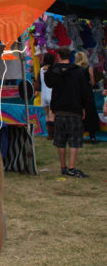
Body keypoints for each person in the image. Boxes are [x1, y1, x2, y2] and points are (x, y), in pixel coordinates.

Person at [44, 47, 90, 178]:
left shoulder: (53, 70)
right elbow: (84, 92)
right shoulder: (78, 72)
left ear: (58, 56)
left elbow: (48, 83)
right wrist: (84, 108)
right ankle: (72, 167)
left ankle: (63, 166)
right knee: (74, 140)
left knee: (61, 140)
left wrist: (49, 70)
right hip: (74, 109)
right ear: (70, 56)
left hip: (59, 109)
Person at [74, 51, 100, 143]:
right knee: (90, 114)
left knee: (79, 115)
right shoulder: (89, 68)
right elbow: (92, 82)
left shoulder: (74, 69)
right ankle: (92, 136)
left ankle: (79, 136)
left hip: (77, 94)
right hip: (87, 94)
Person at [40, 52, 56, 140]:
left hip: (43, 94)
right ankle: (51, 134)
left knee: (46, 114)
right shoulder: (53, 69)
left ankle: (48, 134)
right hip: (51, 93)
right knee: (52, 114)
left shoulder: (41, 69)